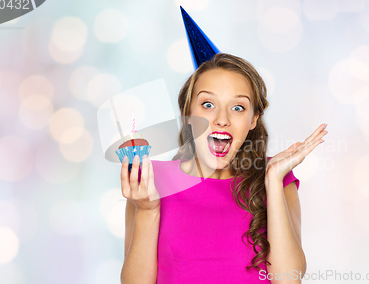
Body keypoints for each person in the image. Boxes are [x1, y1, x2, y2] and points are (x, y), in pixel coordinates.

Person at [120, 53, 328, 284]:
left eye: (238, 107)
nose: (222, 119)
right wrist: (148, 211)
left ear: (253, 120)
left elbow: (288, 279)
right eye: (208, 104)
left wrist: (273, 182)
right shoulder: (150, 181)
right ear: (188, 113)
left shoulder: (277, 177)